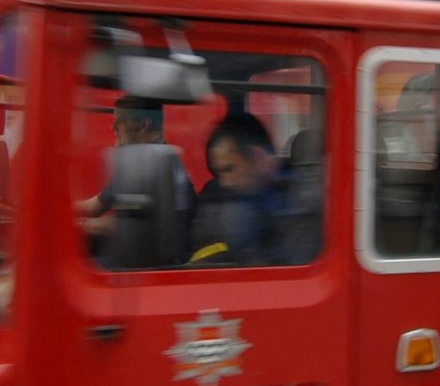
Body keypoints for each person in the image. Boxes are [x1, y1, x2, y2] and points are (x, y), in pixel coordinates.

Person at [77, 96, 193, 268]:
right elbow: (94, 206)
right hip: (141, 252)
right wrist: (54, 205)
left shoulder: (152, 162)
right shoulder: (140, 159)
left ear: (143, 124)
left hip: (155, 263)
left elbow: (120, 225)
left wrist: (80, 224)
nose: (113, 128)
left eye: (120, 122)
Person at [190, 112, 292, 266]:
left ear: (257, 156)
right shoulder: (215, 196)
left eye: (229, 169)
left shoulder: (299, 194)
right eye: (218, 173)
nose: (225, 183)